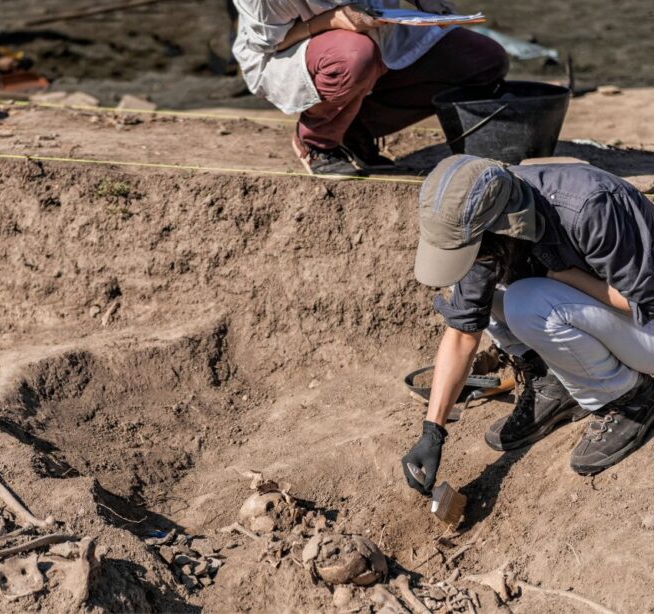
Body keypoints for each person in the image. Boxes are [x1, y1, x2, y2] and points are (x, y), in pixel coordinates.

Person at [402, 154, 654, 496]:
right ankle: (559, 382)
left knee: (525, 302)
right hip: (607, 316)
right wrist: (432, 431)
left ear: (498, 224)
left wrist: (566, 278)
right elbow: (463, 331)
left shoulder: (589, 208)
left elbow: (646, 303)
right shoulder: (488, 218)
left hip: (646, 323)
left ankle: (629, 397)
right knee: (483, 295)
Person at [232, 1, 508, 177]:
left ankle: (355, 128)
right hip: (290, 49)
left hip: (377, 33)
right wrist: (330, 20)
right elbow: (270, 43)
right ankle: (318, 140)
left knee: (482, 60)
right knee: (354, 56)